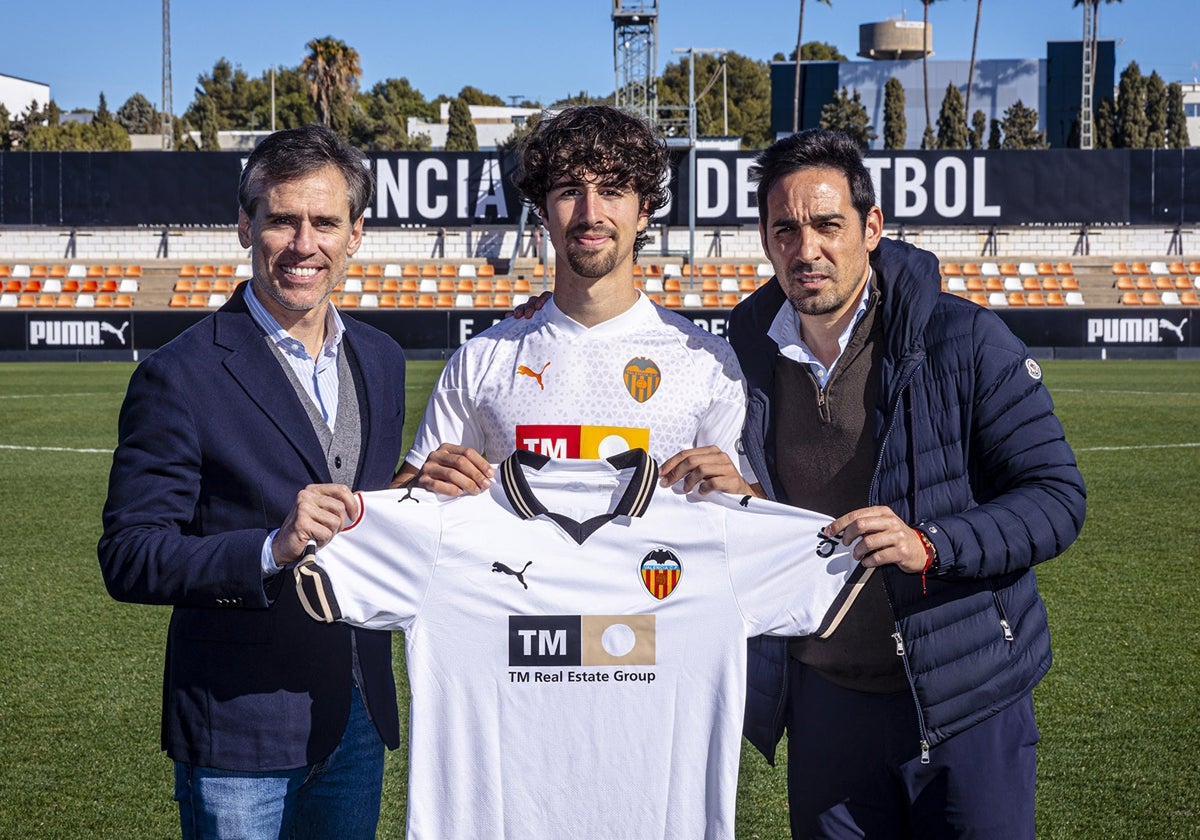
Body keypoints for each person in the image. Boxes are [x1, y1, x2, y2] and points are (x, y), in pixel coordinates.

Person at [731, 129, 1086, 839]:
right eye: (785, 229)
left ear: (871, 227)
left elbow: (1056, 497)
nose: (807, 250)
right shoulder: (739, 352)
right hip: (825, 700)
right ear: (766, 240)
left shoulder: (965, 340)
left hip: (964, 697)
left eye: (828, 225)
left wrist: (933, 543)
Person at [295, 448, 863, 839]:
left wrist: (873, 536)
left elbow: (825, 552)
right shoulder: (449, 524)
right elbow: (333, 548)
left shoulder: (709, 524)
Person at [98, 124, 406, 839]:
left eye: (326, 222)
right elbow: (130, 554)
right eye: (282, 220)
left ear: (355, 233)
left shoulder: (383, 360)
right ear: (246, 225)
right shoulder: (180, 373)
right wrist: (270, 547)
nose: (305, 245)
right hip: (238, 728)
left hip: (357, 716)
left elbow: (368, 504)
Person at [395, 105, 751, 496]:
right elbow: (402, 508)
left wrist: (742, 495)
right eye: (570, 191)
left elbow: (755, 529)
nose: (590, 213)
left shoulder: (706, 363)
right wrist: (421, 486)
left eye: (612, 191)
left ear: (645, 209)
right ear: (544, 213)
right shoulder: (479, 361)